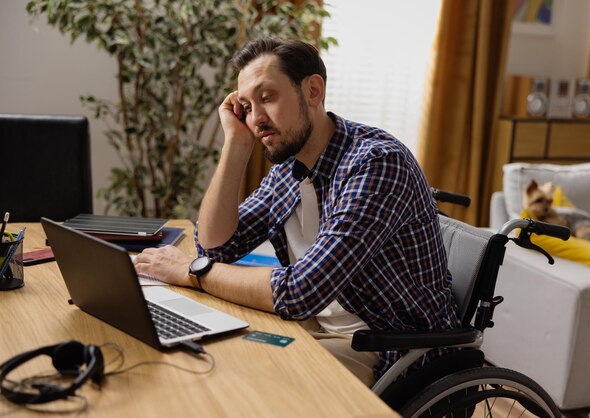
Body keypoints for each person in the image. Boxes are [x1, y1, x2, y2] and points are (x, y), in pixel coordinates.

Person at [133, 37, 460, 386]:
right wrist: (235, 145)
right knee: (208, 359)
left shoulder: (376, 164)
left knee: (246, 384)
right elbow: (216, 248)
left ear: (313, 91)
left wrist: (191, 271)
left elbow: (301, 291)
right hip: (316, 324)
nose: (256, 119)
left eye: (267, 97)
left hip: (389, 345)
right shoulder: (289, 168)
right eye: (246, 105)